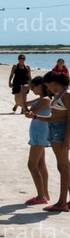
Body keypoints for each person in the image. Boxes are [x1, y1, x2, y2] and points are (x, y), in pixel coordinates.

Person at [26, 72, 70, 212]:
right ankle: (65, 201)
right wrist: (36, 116)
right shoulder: (59, 95)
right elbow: (52, 118)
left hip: (61, 132)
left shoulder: (67, 95)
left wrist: (67, 138)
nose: (48, 89)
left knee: (63, 167)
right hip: (55, 129)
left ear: (53, 83)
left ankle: (62, 203)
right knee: (63, 167)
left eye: (47, 86)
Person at [23, 76, 51, 206]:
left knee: (32, 165)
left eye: (34, 87)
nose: (33, 89)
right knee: (41, 165)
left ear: (41, 86)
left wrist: (23, 95)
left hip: (40, 133)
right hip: (38, 132)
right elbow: (21, 104)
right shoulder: (41, 99)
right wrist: (22, 95)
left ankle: (41, 196)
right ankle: (45, 193)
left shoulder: (45, 99)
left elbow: (28, 113)